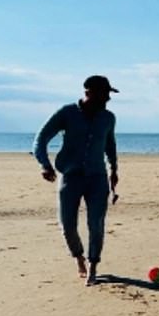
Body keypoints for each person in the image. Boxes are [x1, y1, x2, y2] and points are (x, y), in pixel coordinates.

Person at [33, 75, 119, 286]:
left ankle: (93, 265)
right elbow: (40, 139)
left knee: (96, 223)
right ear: (89, 93)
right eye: (104, 94)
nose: (108, 98)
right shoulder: (67, 113)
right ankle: (78, 257)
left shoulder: (108, 118)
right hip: (70, 177)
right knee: (67, 224)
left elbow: (110, 145)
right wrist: (44, 164)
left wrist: (114, 170)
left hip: (97, 178)